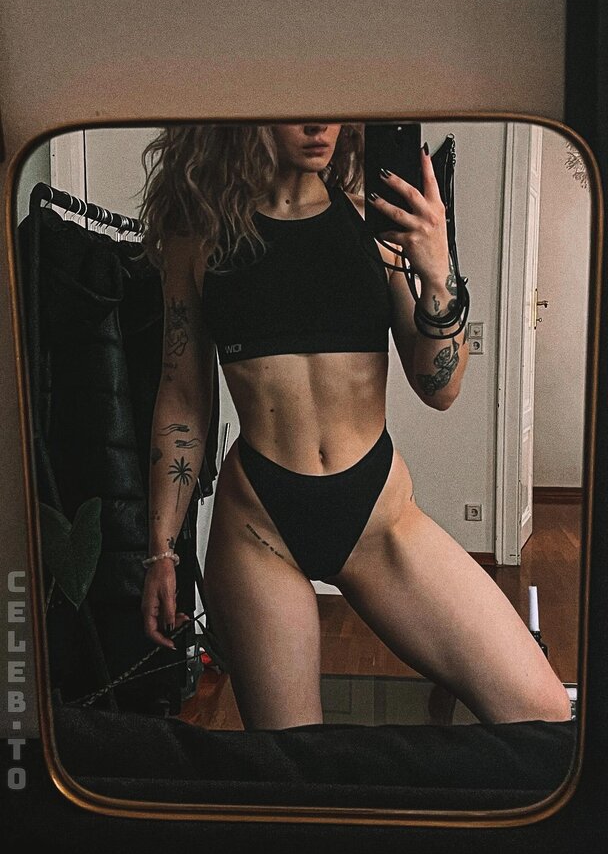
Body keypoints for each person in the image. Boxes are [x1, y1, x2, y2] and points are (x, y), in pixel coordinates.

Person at [139, 122, 571, 730]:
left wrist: (438, 273)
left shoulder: (374, 219)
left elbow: (440, 388)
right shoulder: (200, 234)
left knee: (543, 712)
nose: (318, 124)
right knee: (295, 765)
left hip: (377, 515)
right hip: (260, 525)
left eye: (332, 106)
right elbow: (183, 397)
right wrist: (160, 550)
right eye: (297, 106)